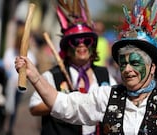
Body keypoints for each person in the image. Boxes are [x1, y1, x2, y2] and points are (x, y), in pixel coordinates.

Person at [15, 0, 157, 134]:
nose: (127, 69)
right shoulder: (107, 96)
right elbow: (63, 104)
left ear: (152, 67)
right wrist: (34, 75)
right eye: (123, 63)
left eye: (135, 62)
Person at [28, 1, 117, 135]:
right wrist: (65, 100)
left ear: (92, 47)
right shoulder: (53, 76)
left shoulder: (105, 75)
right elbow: (34, 108)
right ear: (67, 50)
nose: (82, 46)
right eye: (76, 42)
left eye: (86, 41)